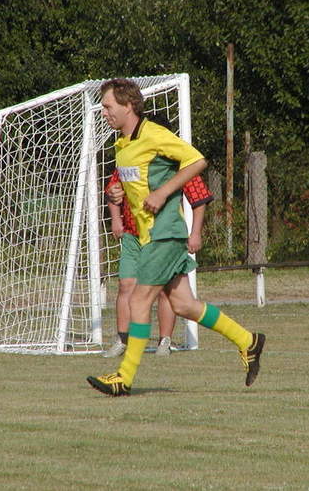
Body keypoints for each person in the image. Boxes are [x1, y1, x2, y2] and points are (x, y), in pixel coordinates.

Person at [87, 78, 266, 396]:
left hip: (165, 234)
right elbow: (135, 184)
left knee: (139, 299)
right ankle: (248, 341)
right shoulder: (121, 144)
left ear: (128, 106)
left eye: (108, 106)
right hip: (148, 236)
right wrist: (117, 193)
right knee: (184, 305)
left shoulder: (155, 134)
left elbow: (198, 161)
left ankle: (124, 378)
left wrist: (164, 192)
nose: (104, 112)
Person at [103, 154, 214, 358]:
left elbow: (199, 197)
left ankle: (164, 341)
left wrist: (195, 233)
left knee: (171, 295)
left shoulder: (179, 163)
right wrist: (116, 218)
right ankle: (123, 340)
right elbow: (113, 190)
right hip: (134, 236)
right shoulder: (132, 156)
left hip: (164, 238)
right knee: (127, 285)